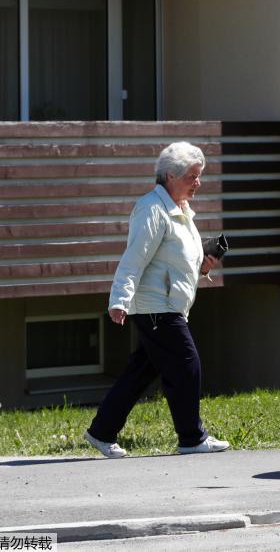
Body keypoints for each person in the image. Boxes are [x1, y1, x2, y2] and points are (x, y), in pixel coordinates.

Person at [84, 141, 229, 458]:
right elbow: (134, 259)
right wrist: (119, 300)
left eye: (198, 176)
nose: (198, 183)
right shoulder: (152, 210)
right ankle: (191, 438)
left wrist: (202, 266)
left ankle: (101, 431)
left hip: (167, 305)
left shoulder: (181, 211)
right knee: (187, 365)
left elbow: (174, 260)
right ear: (170, 176)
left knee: (140, 373)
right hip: (155, 307)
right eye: (192, 176)